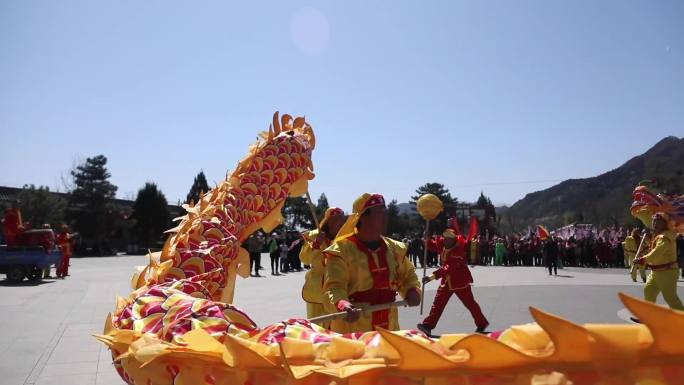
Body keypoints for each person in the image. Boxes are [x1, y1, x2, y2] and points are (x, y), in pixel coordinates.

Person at [323, 193, 421, 333]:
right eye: (379, 212)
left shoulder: (394, 248)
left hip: (389, 323)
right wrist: (343, 305)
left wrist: (411, 290)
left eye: (385, 211)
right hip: (354, 329)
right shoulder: (342, 251)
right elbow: (333, 288)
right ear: (363, 217)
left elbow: (407, 276)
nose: (385, 216)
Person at [417, 228, 489, 335]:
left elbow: (448, 267)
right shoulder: (444, 244)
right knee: (438, 303)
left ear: (454, 239)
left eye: (448, 239)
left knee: (470, 304)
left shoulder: (458, 251)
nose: (445, 241)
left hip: (459, 281)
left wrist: (431, 277)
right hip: (446, 280)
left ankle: (482, 323)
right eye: (445, 238)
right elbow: (433, 246)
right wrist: (427, 239)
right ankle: (428, 325)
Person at [299, 207, 346, 325]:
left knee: (336, 328)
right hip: (316, 291)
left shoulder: (346, 238)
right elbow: (304, 259)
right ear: (327, 221)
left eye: (341, 220)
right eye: (334, 220)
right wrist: (315, 244)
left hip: (338, 291)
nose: (338, 223)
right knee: (317, 327)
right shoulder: (314, 235)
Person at [633, 212, 684, 311]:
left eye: (658, 221)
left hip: (667, 272)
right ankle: (648, 316)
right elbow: (653, 248)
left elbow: (657, 252)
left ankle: (681, 318)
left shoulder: (666, 237)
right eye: (653, 221)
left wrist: (643, 259)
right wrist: (647, 239)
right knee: (649, 291)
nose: (654, 223)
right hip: (656, 271)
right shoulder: (659, 235)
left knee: (670, 297)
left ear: (665, 223)